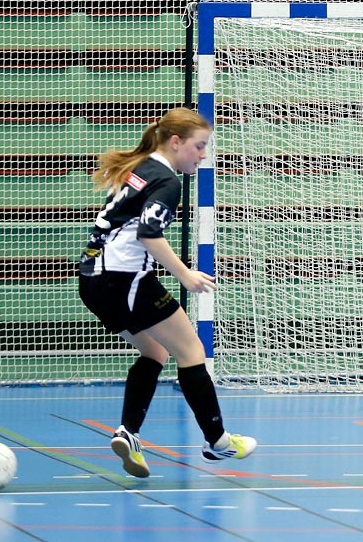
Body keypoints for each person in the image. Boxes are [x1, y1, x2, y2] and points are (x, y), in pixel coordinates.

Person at [78, 107, 256, 478]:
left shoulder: (141, 167)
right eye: (199, 146)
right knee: (191, 350)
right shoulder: (167, 181)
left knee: (155, 351)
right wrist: (185, 274)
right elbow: (148, 234)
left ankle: (128, 433)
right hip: (122, 280)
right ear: (175, 143)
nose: (203, 155)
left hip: (92, 280)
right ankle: (218, 441)